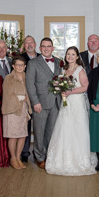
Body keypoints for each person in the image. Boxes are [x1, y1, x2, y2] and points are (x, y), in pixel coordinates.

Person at [46, 46, 97, 176]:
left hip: (77, 103)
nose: (70, 56)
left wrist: (70, 92)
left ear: (77, 56)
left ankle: (80, 160)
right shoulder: (64, 70)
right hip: (66, 104)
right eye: (68, 54)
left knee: (77, 129)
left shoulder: (80, 70)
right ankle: (63, 160)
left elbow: (85, 87)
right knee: (65, 128)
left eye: (73, 54)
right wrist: (61, 90)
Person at [26, 38, 62, 169]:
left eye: (49, 46)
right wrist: (35, 102)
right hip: (40, 103)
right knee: (39, 131)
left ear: (53, 48)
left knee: (51, 131)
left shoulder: (59, 62)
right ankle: (39, 157)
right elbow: (29, 84)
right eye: (44, 46)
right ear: (40, 48)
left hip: (56, 102)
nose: (46, 48)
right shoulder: (33, 63)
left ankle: (49, 155)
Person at [2, 55, 32, 170]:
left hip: (24, 109)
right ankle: (13, 158)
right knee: (13, 136)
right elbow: (7, 94)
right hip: (12, 110)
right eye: (17, 65)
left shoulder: (26, 77)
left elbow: (29, 92)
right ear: (13, 66)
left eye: (22, 65)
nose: (19, 67)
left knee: (22, 135)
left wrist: (27, 102)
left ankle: (18, 157)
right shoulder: (9, 78)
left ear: (25, 66)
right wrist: (20, 98)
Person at [20, 35, 40, 163]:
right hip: (25, 97)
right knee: (25, 126)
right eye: (26, 43)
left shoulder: (41, 57)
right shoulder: (20, 59)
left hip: (40, 98)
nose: (29, 45)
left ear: (35, 44)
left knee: (39, 127)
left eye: (31, 42)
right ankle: (24, 153)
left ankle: (38, 153)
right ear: (24, 46)